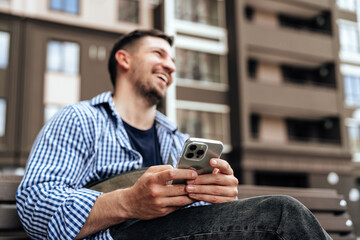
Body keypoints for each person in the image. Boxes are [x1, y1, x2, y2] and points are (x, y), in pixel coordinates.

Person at [16, 29, 332, 240]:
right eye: (158, 54)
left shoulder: (177, 139)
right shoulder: (79, 119)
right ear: (124, 59)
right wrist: (127, 202)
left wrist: (218, 197)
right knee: (281, 214)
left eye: (173, 61)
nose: (170, 66)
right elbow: (34, 205)